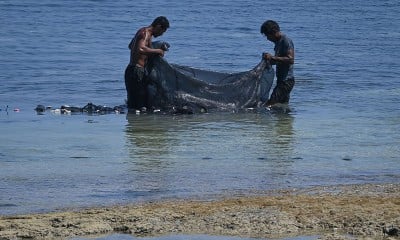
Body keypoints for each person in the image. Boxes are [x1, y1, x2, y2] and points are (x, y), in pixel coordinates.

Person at [125, 16, 170, 110]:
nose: (161, 34)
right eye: (163, 31)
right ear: (158, 26)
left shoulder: (141, 31)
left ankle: (134, 123)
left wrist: (151, 47)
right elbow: (140, 48)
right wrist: (158, 51)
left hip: (131, 70)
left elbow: (130, 46)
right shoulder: (145, 33)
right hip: (137, 71)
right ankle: (139, 123)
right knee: (140, 104)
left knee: (134, 104)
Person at [260, 20, 295, 106]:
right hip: (282, 81)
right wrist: (269, 61)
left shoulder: (286, 41)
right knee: (282, 106)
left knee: (269, 105)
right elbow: (280, 61)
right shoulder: (278, 43)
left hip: (286, 82)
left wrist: (272, 57)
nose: (267, 38)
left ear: (273, 32)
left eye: (267, 35)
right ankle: (285, 119)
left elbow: (291, 59)